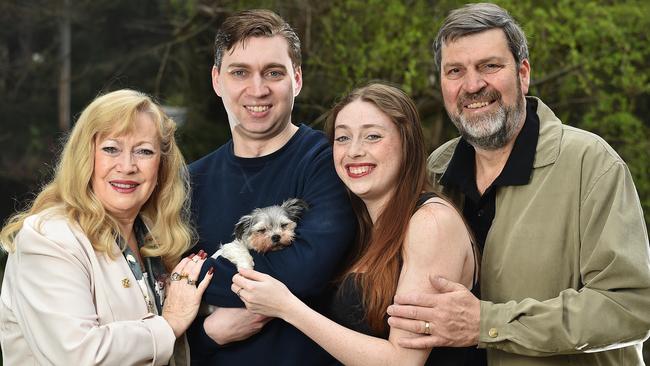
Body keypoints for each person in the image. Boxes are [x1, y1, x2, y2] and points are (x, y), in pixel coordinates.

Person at [385, 3, 650, 366]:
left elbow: (630, 307)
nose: (473, 85)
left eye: (489, 66)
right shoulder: (435, 170)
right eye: (455, 71)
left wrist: (488, 324)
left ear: (523, 73)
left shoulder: (591, 164)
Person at [229, 82, 479, 365]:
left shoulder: (431, 223)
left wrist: (287, 307)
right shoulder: (361, 225)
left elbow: (404, 361)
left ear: (407, 142)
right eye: (343, 138)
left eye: (372, 136)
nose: (354, 151)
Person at [186, 9, 355, 365]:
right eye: (240, 72)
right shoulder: (189, 181)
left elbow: (304, 272)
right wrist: (206, 335)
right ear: (217, 81)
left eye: (273, 73)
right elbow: (163, 296)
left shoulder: (327, 162)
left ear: (296, 78)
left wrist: (193, 285)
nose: (258, 89)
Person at [0, 89, 214, 365]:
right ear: (85, 156)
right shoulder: (50, 237)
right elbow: (78, 355)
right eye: (111, 149)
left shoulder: (151, 236)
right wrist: (169, 324)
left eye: (144, 151)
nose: (127, 166)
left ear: (161, 166)